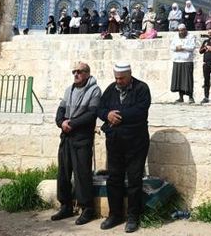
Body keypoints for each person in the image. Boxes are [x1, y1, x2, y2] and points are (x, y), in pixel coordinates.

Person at [97, 63, 151, 233]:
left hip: (136, 142)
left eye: (122, 78)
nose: (118, 81)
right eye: (116, 78)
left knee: (134, 180)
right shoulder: (111, 89)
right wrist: (107, 115)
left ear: (130, 75)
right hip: (115, 142)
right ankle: (115, 215)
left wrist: (116, 115)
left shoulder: (142, 88)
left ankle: (133, 217)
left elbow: (140, 112)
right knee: (114, 178)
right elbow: (100, 108)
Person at [52, 62, 100, 225]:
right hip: (66, 136)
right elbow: (61, 109)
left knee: (82, 173)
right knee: (63, 172)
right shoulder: (69, 90)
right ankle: (66, 206)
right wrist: (61, 122)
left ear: (87, 73)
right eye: (74, 72)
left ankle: (87, 208)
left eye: (79, 72)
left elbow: (92, 113)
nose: (76, 74)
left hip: (82, 136)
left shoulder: (94, 90)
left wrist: (71, 124)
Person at [170, 25, 197, 103]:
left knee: (188, 80)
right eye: (179, 30)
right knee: (179, 80)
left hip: (187, 61)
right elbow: (172, 47)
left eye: (182, 30)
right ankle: (180, 97)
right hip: (177, 60)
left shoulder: (191, 36)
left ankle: (191, 97)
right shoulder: (175, 37)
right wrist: (176, 48)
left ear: (185, 30)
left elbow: (192, 47)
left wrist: (183, 47)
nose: (181, 32)